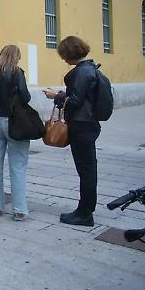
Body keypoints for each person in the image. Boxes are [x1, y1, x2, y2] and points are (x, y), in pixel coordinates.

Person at [43, 36, 102, 227]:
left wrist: (57, 95)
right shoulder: (90, 69)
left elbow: (75, 101)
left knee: (86, 169)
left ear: (69, 54)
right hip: (88, 123)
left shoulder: (82, 72)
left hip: (81, 125)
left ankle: (85, 213)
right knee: (88, 168)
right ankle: (85, 210)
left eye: (63, 55)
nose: (63, 59)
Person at [0, 45, 31, 221]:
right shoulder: (18, 72)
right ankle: (19, 210)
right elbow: (26, 97)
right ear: (16, 57)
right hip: (14, 123)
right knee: (17, 167)